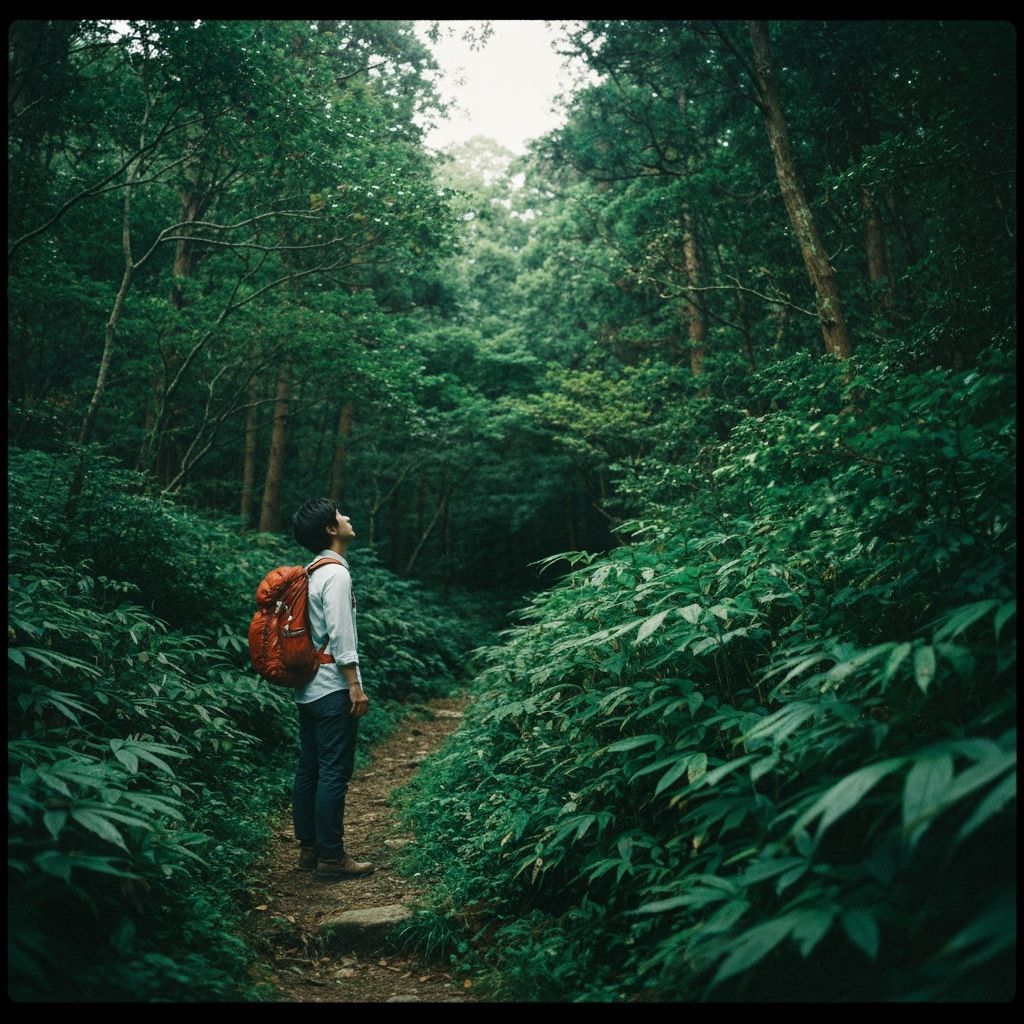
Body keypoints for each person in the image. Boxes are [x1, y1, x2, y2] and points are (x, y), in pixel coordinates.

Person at [290, 497, 374, 882]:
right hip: (332, 688)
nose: (348, 516)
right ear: (330, 529)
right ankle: (331, 857)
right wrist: (354, 686)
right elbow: (342, 637)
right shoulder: (336, 575)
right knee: (333, 773)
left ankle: (309, 849)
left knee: (310, 769)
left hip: (308, 689)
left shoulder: (311, 572)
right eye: (342, 515)